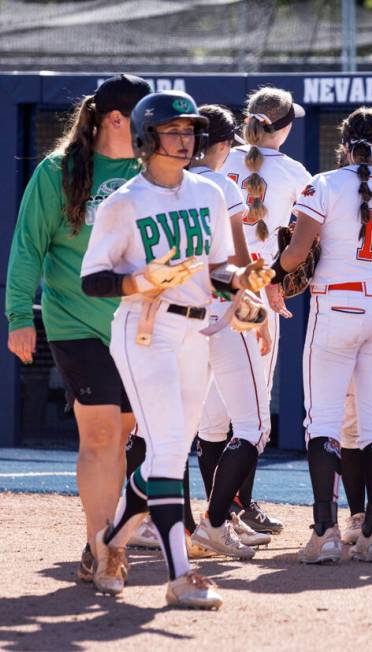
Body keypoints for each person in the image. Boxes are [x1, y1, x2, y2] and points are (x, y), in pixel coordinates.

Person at [80, 90, 273, 607]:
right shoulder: (125, 202)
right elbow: (93, 280)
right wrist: (142, 279)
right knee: (166, 451)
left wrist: (243, 285)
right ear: (147, 138)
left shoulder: (209, 193)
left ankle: (110, 542)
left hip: (197, 332)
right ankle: (181, 575)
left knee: (169, 452)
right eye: (173, 130)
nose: (185, 139)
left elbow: (217, 269)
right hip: (145, 331)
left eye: (190, 130)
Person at [273, 106, 372, 564]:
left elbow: (293, 256)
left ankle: (325, 531)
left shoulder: (323, 183)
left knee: (323, 421)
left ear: (345, 145)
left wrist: (278, 268)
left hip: (337, 307)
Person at [5, 74, 150, 581]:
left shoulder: (151, 173)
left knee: (128, 435)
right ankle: (103, 545)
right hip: (75, 322)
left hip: (139, 328)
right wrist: (20, 316)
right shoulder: (59, 172)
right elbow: (29, 246)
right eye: (145, 117)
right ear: (116, 119)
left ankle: (104, 538)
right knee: (101, 433)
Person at [220, 86, 311, 535]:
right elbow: (300, 240)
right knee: (252, 412)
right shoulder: (294, 171)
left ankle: (228, 509)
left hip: (215, 287)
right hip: (257, 291)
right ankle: (230, 511)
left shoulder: (221, 161)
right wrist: (279, 284)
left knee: (213, 411)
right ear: (285, 126)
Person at [188, 104, 273, 557]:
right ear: (223, 146)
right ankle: (215, 523)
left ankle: (158, 521)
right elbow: (239, 263)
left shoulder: (168, 183)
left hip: (177, 317)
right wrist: (255, 311)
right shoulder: (222, 183)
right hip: (223, 313)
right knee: (254, 425)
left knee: (176, 428)